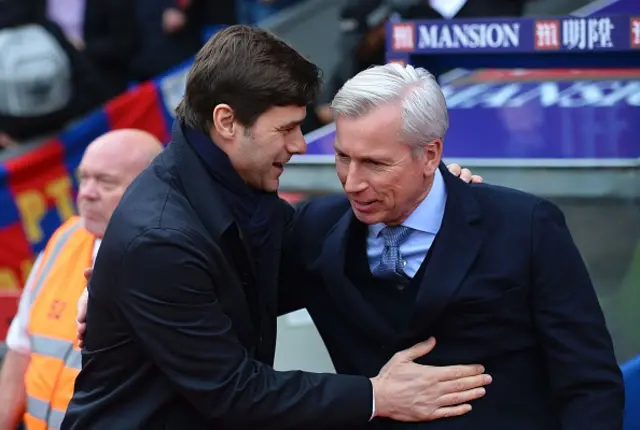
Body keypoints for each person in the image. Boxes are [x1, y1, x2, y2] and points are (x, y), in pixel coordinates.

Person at [61, 25, 490, 430]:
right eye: (286, 128)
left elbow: (307, 237)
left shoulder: (228, 182)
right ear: (227, 122)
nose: (300, 145)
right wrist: (378, 395)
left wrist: (418, 190)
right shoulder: (161, 241)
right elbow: (233, 391)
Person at [277, 63, 626, 429]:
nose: (352, 182)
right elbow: (228, 317)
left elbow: (589, 383)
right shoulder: (313, 229)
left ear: (430, 155)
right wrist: (367, 396)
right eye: (343, 157)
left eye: (375, 164)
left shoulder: (525, 226)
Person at [0, 129, 163, 430]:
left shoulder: (170, 259)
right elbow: (20, 349)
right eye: (83, 177)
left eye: (105, 181)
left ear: (150, 188)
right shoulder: (65, 237)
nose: (85, 192)